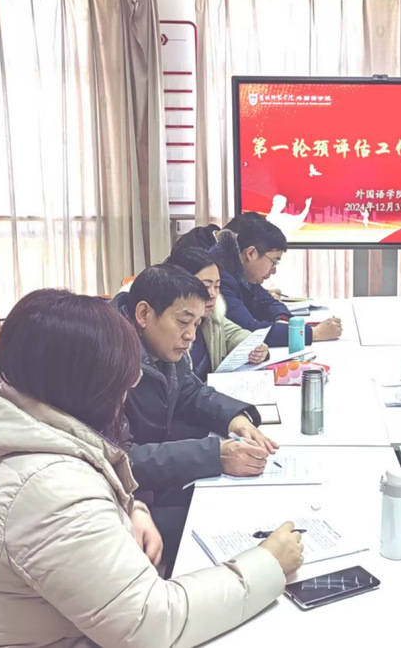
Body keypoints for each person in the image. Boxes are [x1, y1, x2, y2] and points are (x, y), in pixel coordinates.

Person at [0, 289, 303, 648]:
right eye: (124, 377)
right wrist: (269, 563)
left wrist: (129, 507)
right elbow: (152, 625)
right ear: (86, 384)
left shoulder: (11, 421)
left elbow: (84, 470)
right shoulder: (47, 487)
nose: (130, 387)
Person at [112, 264, 278, 561]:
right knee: (233, 526)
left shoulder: (158, 344)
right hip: (124, 505)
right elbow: (118, 459)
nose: (191, 335)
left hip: (150, 485)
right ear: (144, 314)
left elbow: (189, 391)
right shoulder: (110, 358)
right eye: (183, 322)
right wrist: (215, 456)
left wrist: (235, 418)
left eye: (197, 323)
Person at [210, 218, 342, 347]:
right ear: (251, 253)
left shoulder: (242, 269)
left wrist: (283, 320)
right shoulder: (219, 277)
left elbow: (268, 302)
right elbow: (250, 330)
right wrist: (313, 333)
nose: (273, 271)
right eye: (273, 262)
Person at [166, 246, 268, 380]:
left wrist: (256, 348)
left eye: (217, 286)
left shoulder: (212, 316)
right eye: (205, 286)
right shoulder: (169, 331)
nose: (213, 294)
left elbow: (234, 334)